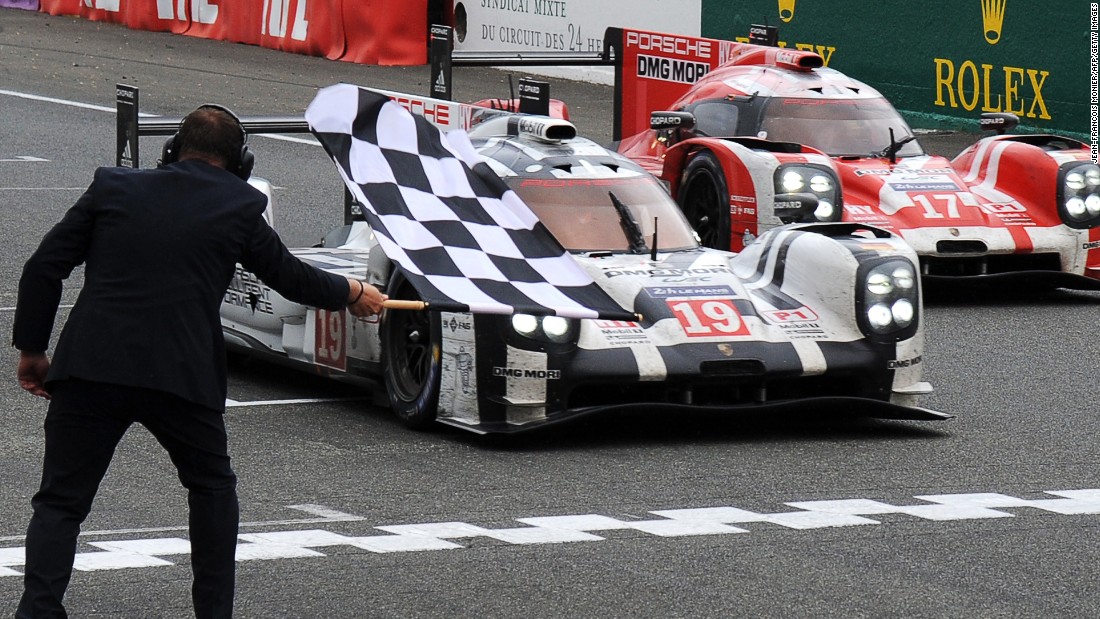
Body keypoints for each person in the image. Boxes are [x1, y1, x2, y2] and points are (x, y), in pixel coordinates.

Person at [11, 104, 386, 618]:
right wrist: (353, 290)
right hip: (181, 375)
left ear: (171, 150)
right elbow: (292, 280)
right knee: (211, 489)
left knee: (60, 502)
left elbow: (42, 269)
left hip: (93, 365)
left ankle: (38, 610)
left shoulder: (112, 187)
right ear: (241, 163)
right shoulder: (238, 205)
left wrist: (33, 350)